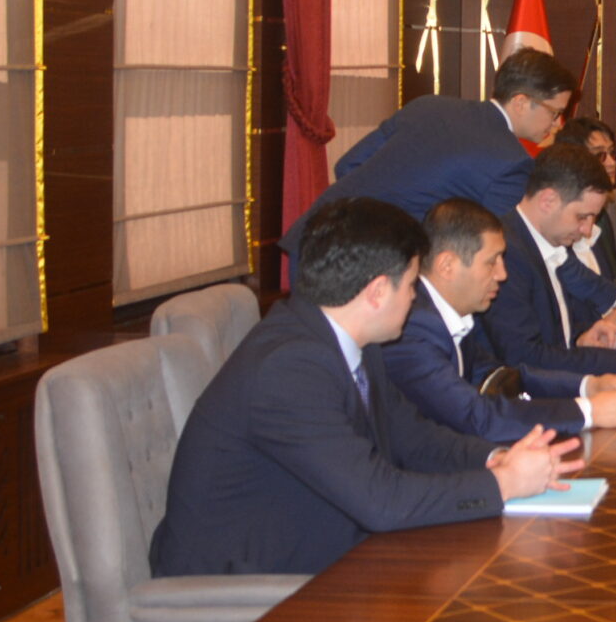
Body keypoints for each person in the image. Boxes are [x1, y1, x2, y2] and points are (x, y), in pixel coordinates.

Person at [150, 197, 580, 579]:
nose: (415, 299)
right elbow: (381, 501)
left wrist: (495, 458)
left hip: (325, 550)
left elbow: (412, 437)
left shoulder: (351, 341)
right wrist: (503, 485)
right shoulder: (289, 368)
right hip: (249, 586)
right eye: (411, 285)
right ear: (376, 292)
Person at [283, 48, 616, 338]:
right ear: (521, 102)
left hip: (314, 239)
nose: (557, 124)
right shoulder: (508, 161)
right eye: (554, 112)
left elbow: (347, 165)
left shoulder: (429, 105)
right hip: (364, 272)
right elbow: (535, 250)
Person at [380, 198, 616, 446]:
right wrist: (589, 411)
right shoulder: (413, 329)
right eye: (492, 262)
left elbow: (504, 377)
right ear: (447, 266)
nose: (502, 274)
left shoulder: (449, 312)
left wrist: (589, 386)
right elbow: (477, 417)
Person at [485, 146, 616, 376]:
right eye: (582, 217)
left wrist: (581, 338)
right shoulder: (504, 255)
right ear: (548, 201)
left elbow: (554, 335)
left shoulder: (549, 241)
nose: (587, 230)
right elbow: (524, 359)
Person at [552, 115, 616, 281]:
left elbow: (611, 280)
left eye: (612, 153)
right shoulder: (558, 220)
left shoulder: (601, 215)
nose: (611, 163)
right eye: (600, 155)